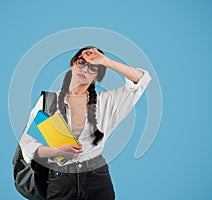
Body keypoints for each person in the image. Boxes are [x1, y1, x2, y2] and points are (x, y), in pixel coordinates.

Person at [19, 46, 152, 200]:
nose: (85, 70)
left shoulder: (106, 103)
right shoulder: (48, 102)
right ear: (72, 64)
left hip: (97, 178)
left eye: (93, 68)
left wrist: (106, 61)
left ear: (97, 76)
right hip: (61, 180)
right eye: (81, 63)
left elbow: (141, 80)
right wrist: (57, 151)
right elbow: (27, 145)